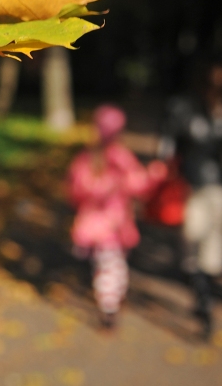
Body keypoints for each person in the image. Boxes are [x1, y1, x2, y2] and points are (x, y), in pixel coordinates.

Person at [157, 59, 222, 337]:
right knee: (200, 244)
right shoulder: (190, 110)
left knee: (202, 247)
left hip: (209, 187)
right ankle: (203, 295)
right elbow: (169, 146)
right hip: (201, 188)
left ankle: (204, 300)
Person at [68, 104, 167, 328]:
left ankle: (106, 298)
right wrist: (153, 175)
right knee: (112, 266)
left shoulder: (87, 158)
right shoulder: (116, 158)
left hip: (97, 225)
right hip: (112, 225)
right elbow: (137, 183)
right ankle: (109, 306)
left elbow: (75, 190)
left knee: (105, 263)